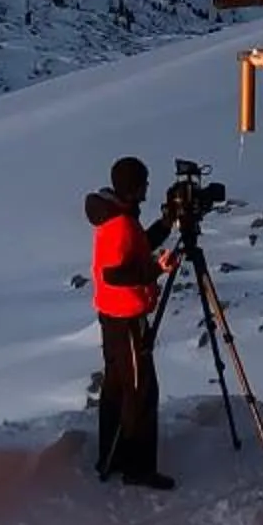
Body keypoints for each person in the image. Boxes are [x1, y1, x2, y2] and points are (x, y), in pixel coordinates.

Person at [84, 155, 176, 489]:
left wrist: (165, 226)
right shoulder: (121, 223)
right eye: (145, 183)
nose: (148, 188)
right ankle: (137, 467)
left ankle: (111, 455)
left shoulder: (117, 216)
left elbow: (135, 251)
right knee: (139, 392)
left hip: (113, 318)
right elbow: (117, 272)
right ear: (135, 188)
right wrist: (156, 270)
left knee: (117, 388)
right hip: (125, 319)